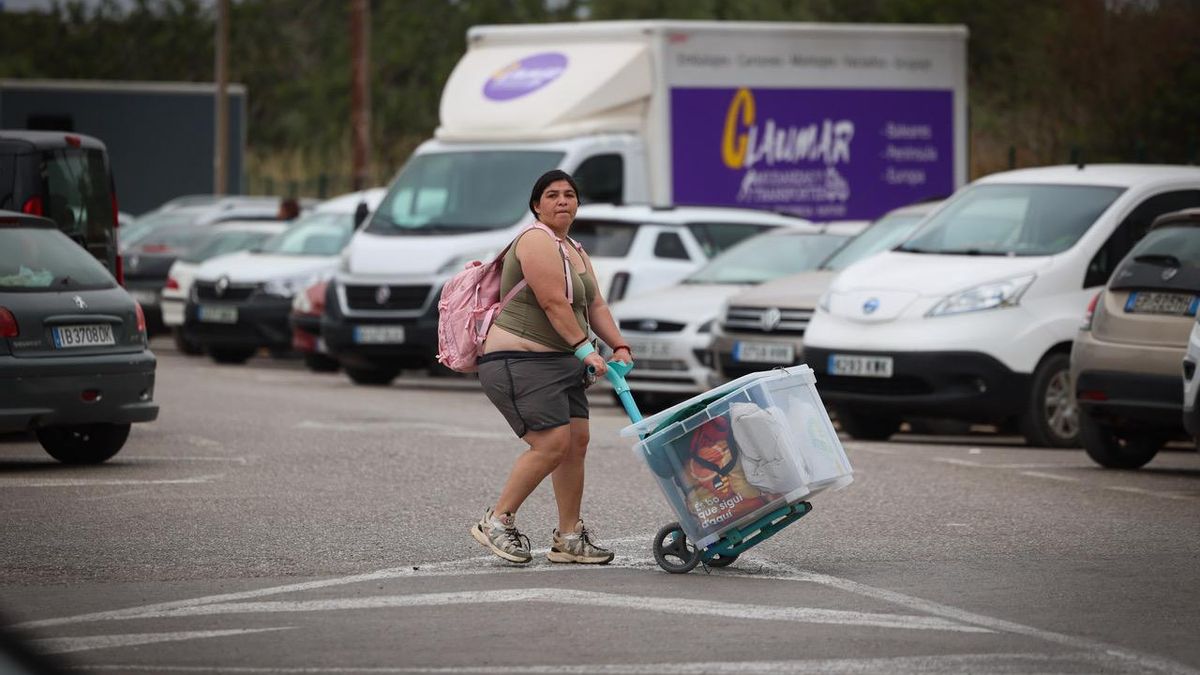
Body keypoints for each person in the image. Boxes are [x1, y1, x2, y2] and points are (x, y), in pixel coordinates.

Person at [471, 169, 634, 565]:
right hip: (520, 361)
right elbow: (552, 302)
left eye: (569, 195)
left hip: (561, 362)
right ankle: (497, 521)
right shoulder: (534, 240)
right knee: (551, 444)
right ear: (536, 205)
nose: (562, 200)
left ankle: (569, 536)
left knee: (576, 443)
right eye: (552, 195)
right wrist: (585, 350)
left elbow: (595, 304)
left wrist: (619, 345)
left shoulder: (574, 248)